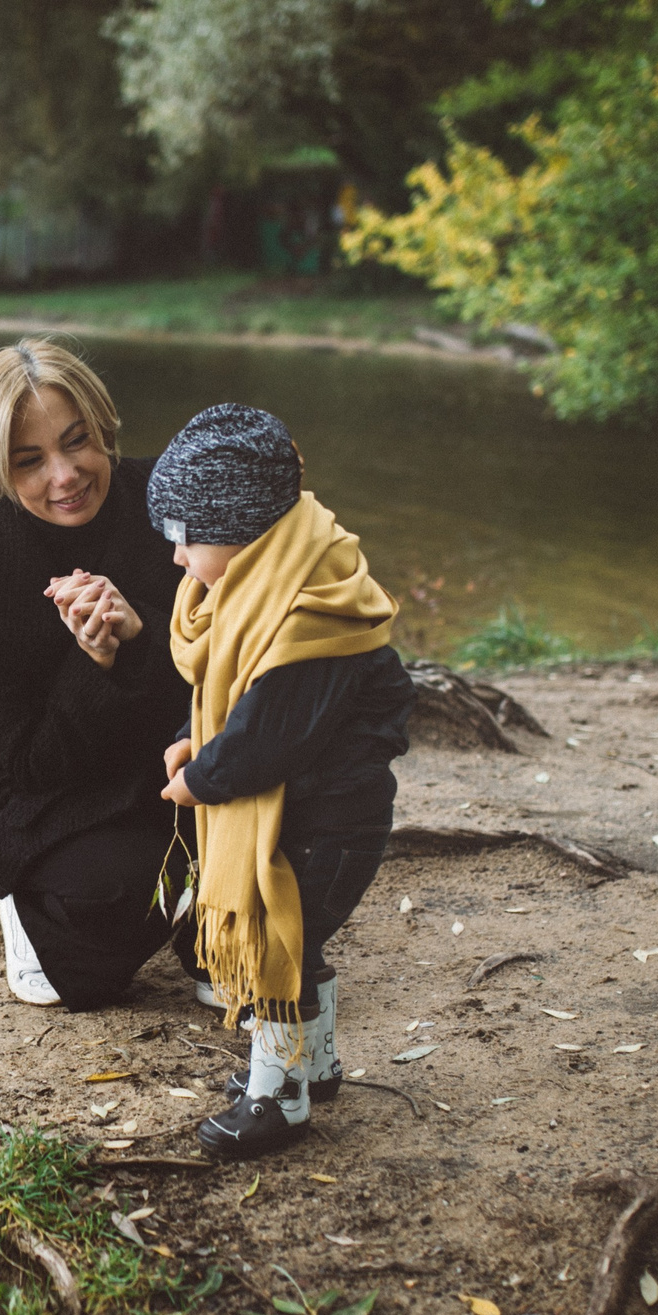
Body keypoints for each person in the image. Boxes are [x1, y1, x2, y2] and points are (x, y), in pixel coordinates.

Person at [150, 404, 415, 1159]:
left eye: (185, 538)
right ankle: (319, 1063)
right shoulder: (274, 587)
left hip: (327, 824)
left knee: (277, 948)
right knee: (303, 945)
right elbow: (235, 701)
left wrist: (203, 777)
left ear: (241, 530)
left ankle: (280, 1098)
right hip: (307, 814)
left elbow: (269, 732)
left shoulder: (311, 620)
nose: (176, 561)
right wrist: (189, 738)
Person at [0, 339, 194, 1011]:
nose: (65, 475)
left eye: (76, 442)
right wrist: (95, 661)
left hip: (182, 750)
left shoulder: (172, 501)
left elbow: (238, 650)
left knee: (273, 817)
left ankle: (210, 938)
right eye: (31, 461)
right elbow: (32, 762)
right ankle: (31, 918)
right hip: (61, 785)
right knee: (117, 892)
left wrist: (141, 631)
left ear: (102, 427)